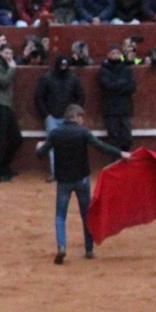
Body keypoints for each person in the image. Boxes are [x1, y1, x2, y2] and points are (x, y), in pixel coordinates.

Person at [35, 104, 131, 263]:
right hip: (81, 180)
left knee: (60, 216)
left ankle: (61, 246)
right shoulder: (83, 132)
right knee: (86, 214)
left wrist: (38, 147)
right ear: (77, 117)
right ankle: (89, 249)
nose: (82, 121)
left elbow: (40, 154)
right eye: (82, 118)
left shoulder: (55, 133)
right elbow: (102, 147)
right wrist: (121, 153)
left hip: (64, 181)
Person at [0, 38, 22, 182]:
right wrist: (12, 68)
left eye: (11, 53)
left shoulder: (1, 63)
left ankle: (3, 167)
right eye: (6, 53)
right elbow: (3, 81)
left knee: (16, 138)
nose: (9, 56)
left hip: (5, 105)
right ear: (0, 53)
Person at [98, 44, 138, 150]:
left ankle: (124, 159)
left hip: (124, 108)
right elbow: (107, 87)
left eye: (117, 53)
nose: (115, 55)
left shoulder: (126, 68)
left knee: (127, 138)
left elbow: (132, 87)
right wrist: (122, 84)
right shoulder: (103, 70)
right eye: (113, 53)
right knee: (113, 138)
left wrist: (115, 86)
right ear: (108, 55)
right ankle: (116, 161)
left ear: (120, 55)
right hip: (111, 109)